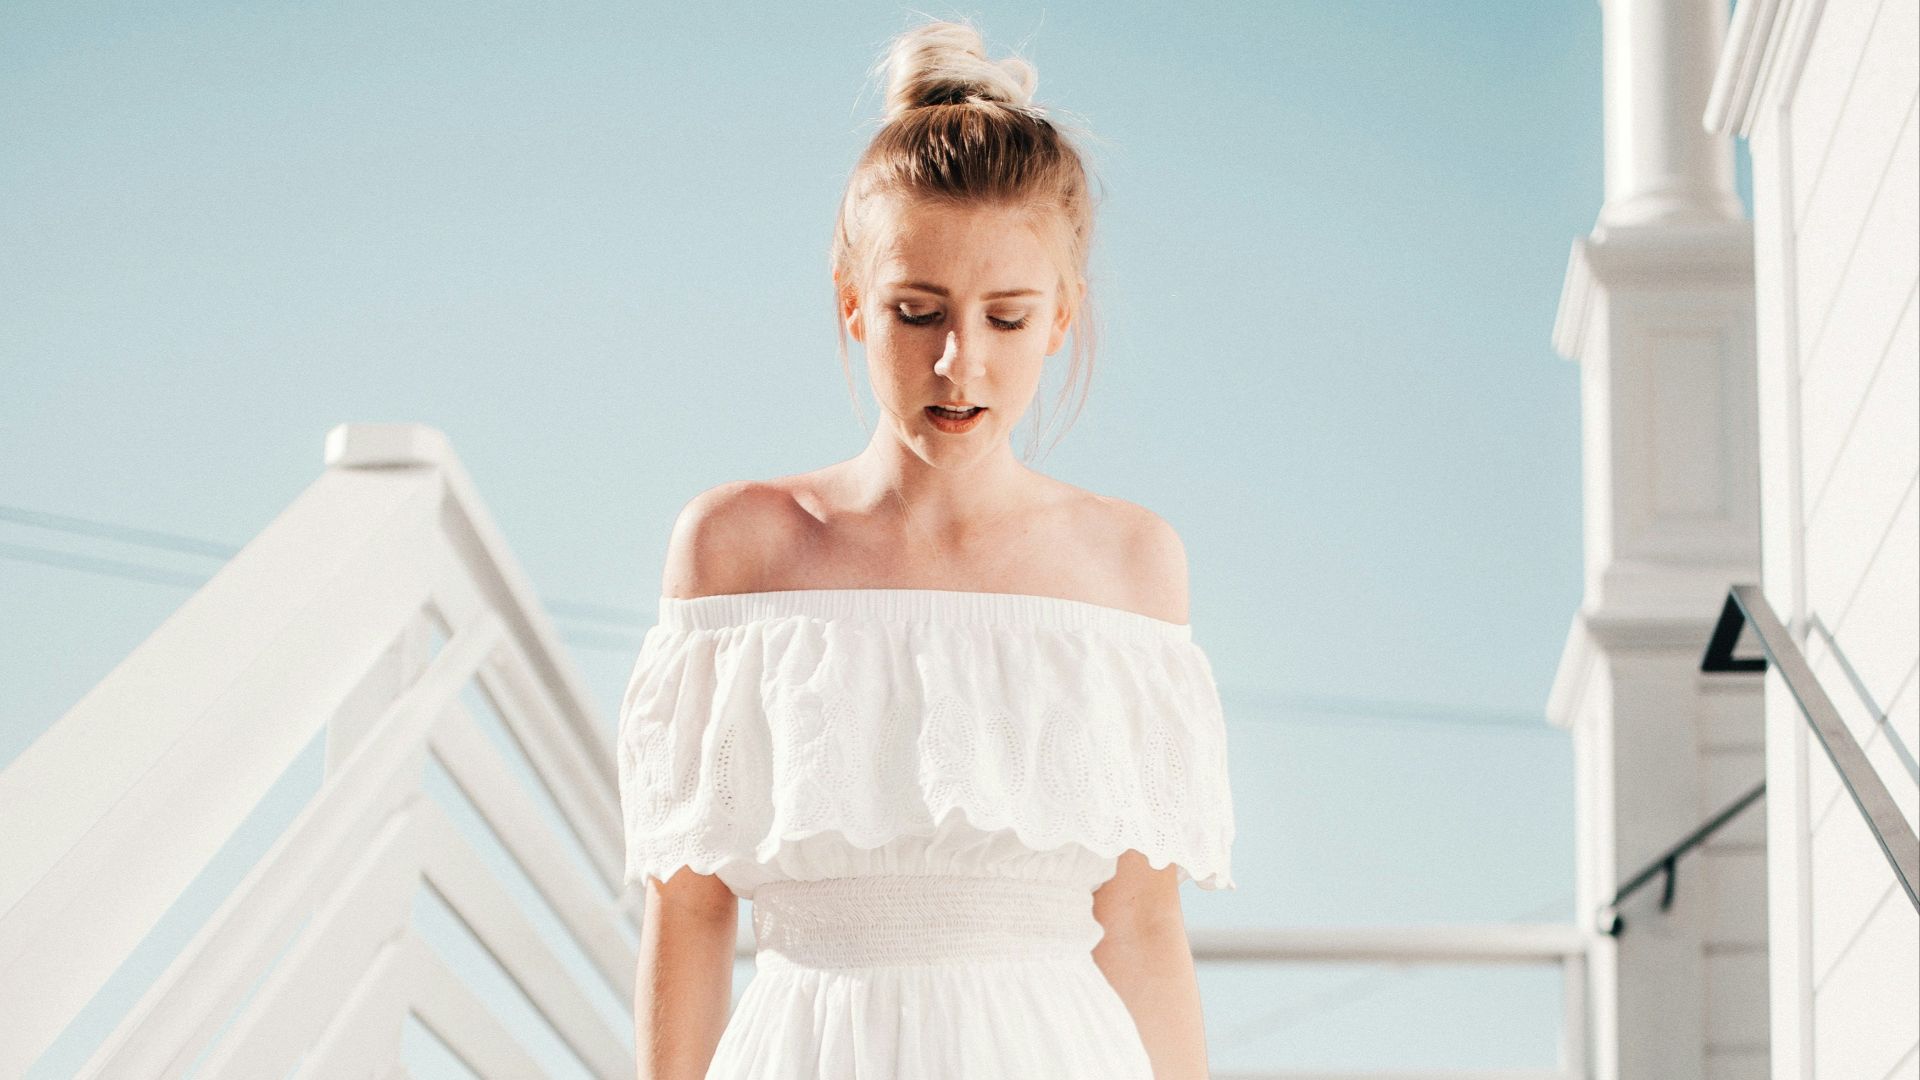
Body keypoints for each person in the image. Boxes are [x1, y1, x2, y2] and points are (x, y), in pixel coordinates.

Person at [618, 18, 1235, 1079]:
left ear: (1061, 318)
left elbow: (1140, 927)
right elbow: (689, 913)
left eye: (1006, 317)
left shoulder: (1132, 566)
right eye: (917, 312)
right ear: (853, 303)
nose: (960, 364)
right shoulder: (737, 548)